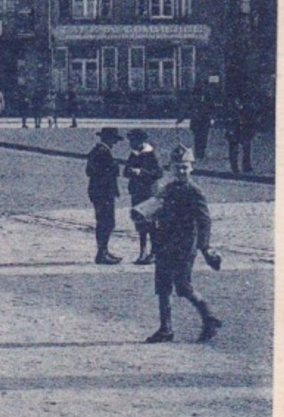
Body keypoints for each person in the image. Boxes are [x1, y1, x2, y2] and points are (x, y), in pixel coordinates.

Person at [137, 145, 222, 343]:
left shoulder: (194, 191)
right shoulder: (167, 188)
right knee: (162, 287)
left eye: (185, 167)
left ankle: (210, 318)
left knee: (183, 287)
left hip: (185, 245)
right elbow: (158, 210)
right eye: (178, 168)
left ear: (191, 168)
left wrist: (205, 246)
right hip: (164, 243)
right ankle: (165, 329)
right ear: (171, 169)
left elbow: (204, 221)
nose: (182, 171)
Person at [122, 128, 163, 265]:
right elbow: (125, 171)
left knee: (151, 224)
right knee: (140, 224)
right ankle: (142, 252)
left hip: (149, 194)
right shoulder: (134, 154)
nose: (131, 144)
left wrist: (141, 172)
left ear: (141, 141)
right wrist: (131, 172)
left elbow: (158, 173)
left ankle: (154, 252)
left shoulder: (151, 154)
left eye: (133, 141)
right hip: (137, 193)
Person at [86, 127, 125, 265]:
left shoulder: (98, 151)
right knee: (106, 222)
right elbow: (97, 171)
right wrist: (114, 167)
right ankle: (102, 253)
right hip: (103, 192)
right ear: (108, 139)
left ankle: (103, 251)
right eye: (113, 140)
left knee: (105, 221)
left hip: (99, 191)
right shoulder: (102, 152)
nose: (114, 143)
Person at [183, 81, 217, 163]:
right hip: (198, 122)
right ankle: (199, 154)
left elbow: (212, 108)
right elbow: (188, 109)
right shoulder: (195, 101)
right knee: (199, 138)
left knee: (202, 138)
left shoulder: (206, 100)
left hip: (203, 121)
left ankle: (200, 153)